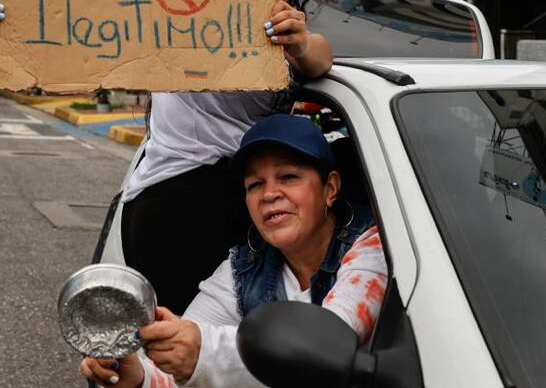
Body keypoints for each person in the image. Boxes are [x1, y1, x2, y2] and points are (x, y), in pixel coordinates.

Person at [0, 0, 333, 313]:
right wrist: (5, 19)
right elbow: (80, 23)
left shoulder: (290, 35)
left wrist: (299, 43)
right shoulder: (183, 6)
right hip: (181, 202)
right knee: (182, 353)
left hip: (250, 204)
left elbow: (320, 57)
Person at [80, 114, 386, 388]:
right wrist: (140, 376)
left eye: (288, 177)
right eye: (255, 184)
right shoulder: (244, 265)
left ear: (330, 189)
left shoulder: (373, 245)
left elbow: (326, 345)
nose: (269, 194)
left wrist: (201, 353)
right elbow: (187, 350)